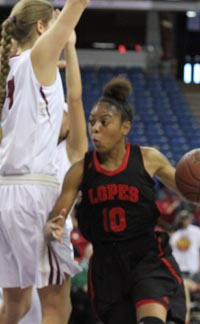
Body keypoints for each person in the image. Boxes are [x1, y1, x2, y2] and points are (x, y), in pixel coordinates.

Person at [45, 76, 186, 324]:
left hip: (146, 258)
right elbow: (57, 217)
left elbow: (186, 188)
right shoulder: (80, 170)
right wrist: (52, 228)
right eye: (92, 122)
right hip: (107, 267)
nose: (95, 128)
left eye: (104, 122)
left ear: (125, 127)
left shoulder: (148, 158)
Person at [0, 0, 89, 323]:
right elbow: (77, 4)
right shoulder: (38, 57)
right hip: (33, 195)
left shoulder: (9, 65)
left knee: (15, 307)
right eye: (54, 22)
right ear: (41, 28)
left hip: (6, 193)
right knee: (55, 306)